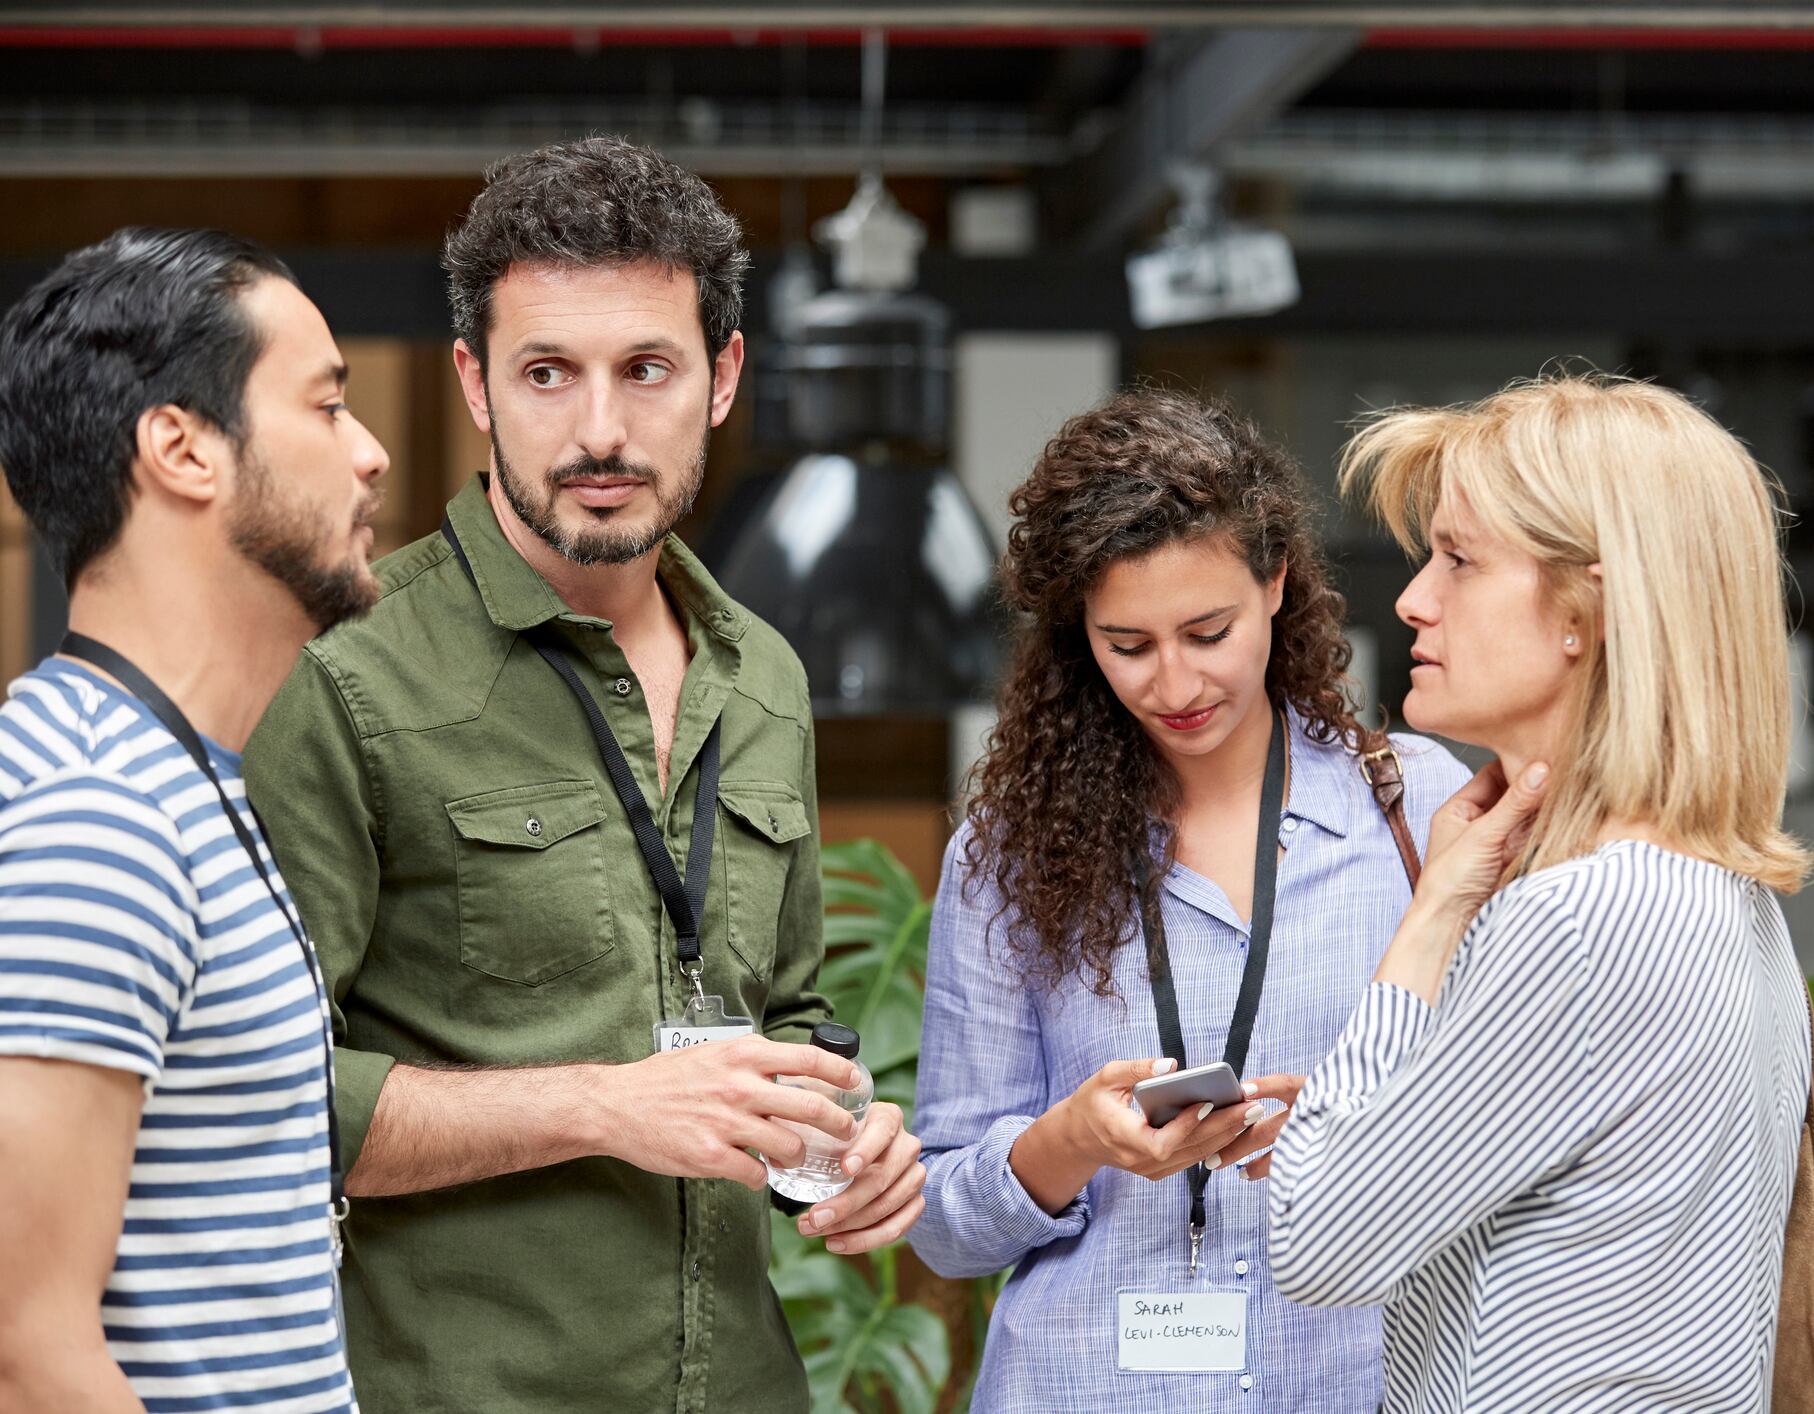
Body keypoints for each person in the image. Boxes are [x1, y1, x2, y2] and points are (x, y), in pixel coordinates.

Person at [242, 137, 924, 1414]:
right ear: (477, 383)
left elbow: (775, 1023)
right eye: (547, 373)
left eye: (646, 369)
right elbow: (260, 1097)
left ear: (722, 378)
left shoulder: (765, 676)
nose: (599, 430)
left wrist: (845, 1146)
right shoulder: (345, 676)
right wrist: (608, 1105)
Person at [909, 388, 1471, 1411]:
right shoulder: (1007, 853)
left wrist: (1365, 1135)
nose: (1175, 684)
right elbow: (944, 1227)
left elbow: (1507, 1128)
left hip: (1342, 1382)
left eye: (1207, 631)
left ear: (1276, 581)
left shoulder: (1420, 805)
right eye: (1128, 645)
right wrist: (1071, 1139)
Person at [1269, 373, 1814, 1412]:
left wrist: (1430, 916)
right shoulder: (1729, 905)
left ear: (1587, 610)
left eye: (1461, 560)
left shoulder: (1577, 922)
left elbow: (1317, 1239)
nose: (1414, 598)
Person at [0, 228, 389, 1412]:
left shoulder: (176, 780)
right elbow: (27, 1346)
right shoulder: (100, 819)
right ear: (181, 448)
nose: (369, 454)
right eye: (325, 406)